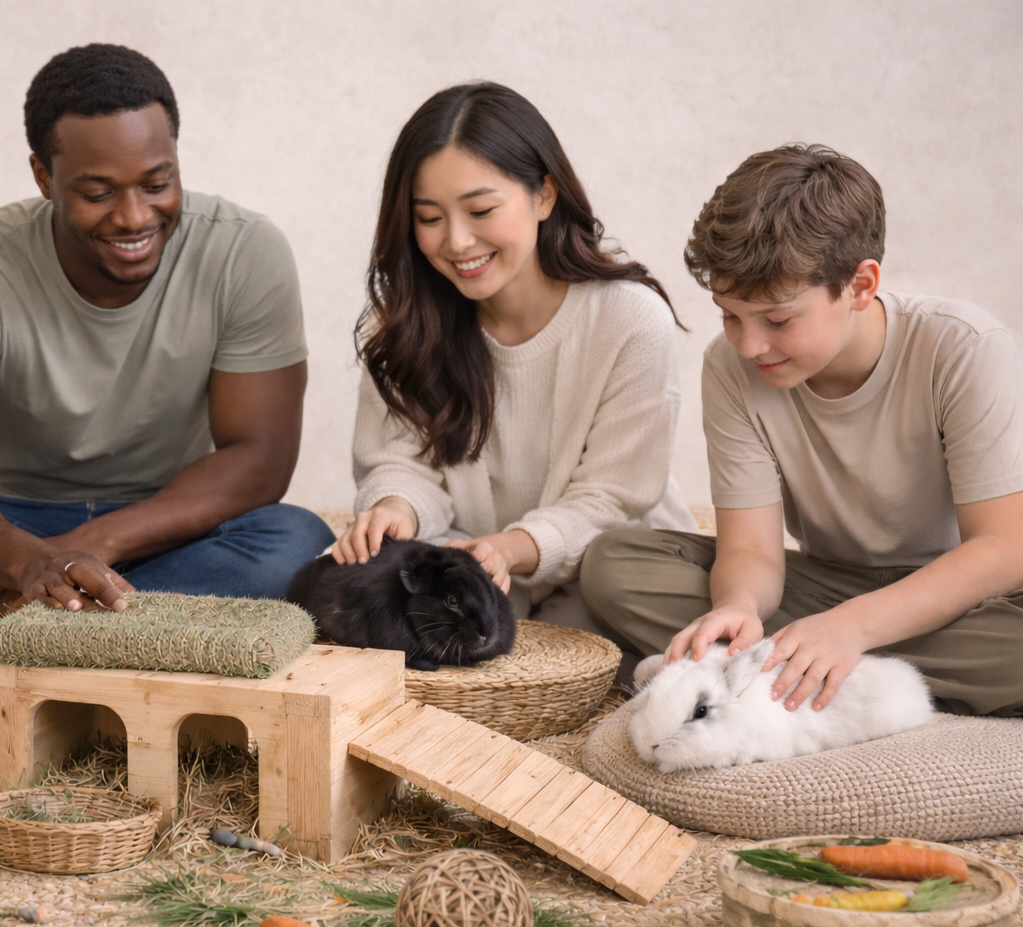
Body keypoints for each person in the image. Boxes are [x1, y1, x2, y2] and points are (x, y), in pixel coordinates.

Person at [0, 44, 333, 629]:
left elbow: (261, 457)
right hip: (5, 525)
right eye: (98, 193)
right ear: (44, 177)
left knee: (296, 543)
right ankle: (124, 622)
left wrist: (86, 548)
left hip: (165, 524)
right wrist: (28, 560)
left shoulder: (245, 252)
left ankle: (39, 619)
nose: (133, 217)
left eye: (157, 183)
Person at [581, 144, 1023, 717]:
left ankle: (812, 661)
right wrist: (738, 607)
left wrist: (850, 628)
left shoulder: (962, 347)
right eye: (729, 315)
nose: (750, 344)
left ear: (860, 286)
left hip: (969, 602)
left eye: (779, 319)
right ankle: (831, 665)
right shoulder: (731, 368)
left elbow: (1003, 549)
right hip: (824, 588)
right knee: (614, 564)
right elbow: (752, 551)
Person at [335, 81, 693, 631]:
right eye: (429, 218)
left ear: (544, 195)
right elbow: (401, 464)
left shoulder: (630, 320)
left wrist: (511, 548)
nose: (456, 242)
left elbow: (609, 502)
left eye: (480, 209)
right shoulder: (407, 318)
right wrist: (394, 508)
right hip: (472, 576)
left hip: (607, 573)